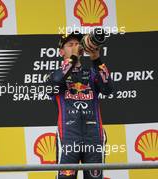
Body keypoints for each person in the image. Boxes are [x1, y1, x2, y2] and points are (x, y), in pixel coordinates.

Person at [47, 31, 113, 179]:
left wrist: (95, 57)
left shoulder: (92, 74)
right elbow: (57, 81)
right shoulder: (54, 75)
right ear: (61, 52)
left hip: (94, 136)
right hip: (69, 137)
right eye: (70, 44)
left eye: (78, 44)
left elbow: (108, 89)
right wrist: (74, 57)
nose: (76, 46)